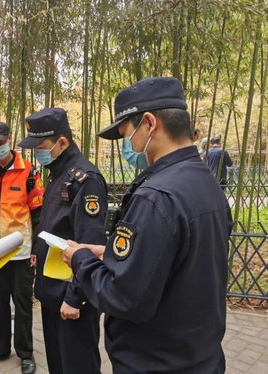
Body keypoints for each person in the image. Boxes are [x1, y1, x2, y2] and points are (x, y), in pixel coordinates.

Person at [63, 77, 233, 373]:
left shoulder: (156, 197)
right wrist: (111, 255)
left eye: (127, 133)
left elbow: (124, 298)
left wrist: (81, 260)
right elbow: (177, 259)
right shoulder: (206, 182)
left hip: (155, 360)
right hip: (198, 354)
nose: (127, 146)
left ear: (150, 124)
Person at [18, 108, 108, 374]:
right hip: (52, 291)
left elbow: (88, 245)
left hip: (70, 296)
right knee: (58, 362)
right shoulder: (58, 173)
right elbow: (53, 224)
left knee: (77, 364)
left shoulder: (85, 179)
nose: (38, 153)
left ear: (63, 142)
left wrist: (76, 298)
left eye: (41, 147)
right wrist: (38, 250)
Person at [0, 122, 44, 374]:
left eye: (0, 143)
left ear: (10, 139)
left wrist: (37, 248)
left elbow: (38, 212)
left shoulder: (28, 171)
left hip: (21, 250)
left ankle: (26, 352)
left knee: (23, 303)